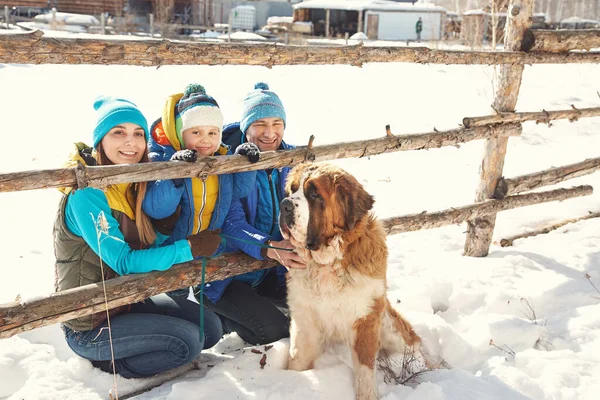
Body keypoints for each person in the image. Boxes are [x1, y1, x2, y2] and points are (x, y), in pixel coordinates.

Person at [54, 96, 224, 379]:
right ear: (100, 140)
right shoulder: (86, 195)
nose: (130, 142)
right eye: (118, 132)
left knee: (210, 327)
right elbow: (124, 262)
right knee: (187, 343)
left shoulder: (131, 184)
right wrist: (189, 248)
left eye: (138, 134)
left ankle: (145, 342)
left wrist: (164, 229)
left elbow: (144, 247)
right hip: (91, 322)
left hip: (128, 301)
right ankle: (112, 367)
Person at [205, 82, 307, 345]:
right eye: (260, 124)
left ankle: (254, 307)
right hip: (226, 277)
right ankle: (221, 318)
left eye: (277, 123)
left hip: (270, 270)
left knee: (315, 312)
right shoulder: (227, 161)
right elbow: (230, 223)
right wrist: (269, 246)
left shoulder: (291, 160)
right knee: (276, 332)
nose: (270, 133)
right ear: (245, 126)